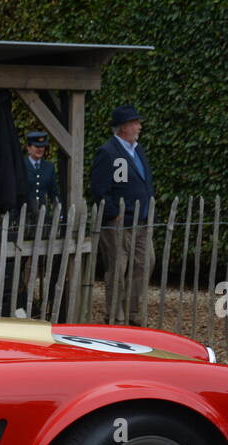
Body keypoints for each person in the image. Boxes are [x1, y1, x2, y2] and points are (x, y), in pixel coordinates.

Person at [91, 106, 155, 326]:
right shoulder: (108, 152)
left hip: (141, 221)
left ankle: (134, 313)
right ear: (124, 127)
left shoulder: (138, 150)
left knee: (144, 264)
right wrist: (113, 214)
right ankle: (115, 316)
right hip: (120, 223)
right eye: (135, 123)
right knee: (118, 268)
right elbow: (99, 189)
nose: (139, 126)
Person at [23, 130, 59, 213]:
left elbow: (53, 192)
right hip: (24, 215)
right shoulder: (21, 166)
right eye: (36, 146)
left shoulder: (49, 167)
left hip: (43, 215)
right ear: (28, 148)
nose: (40, 149)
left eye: (42, 146)